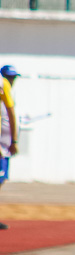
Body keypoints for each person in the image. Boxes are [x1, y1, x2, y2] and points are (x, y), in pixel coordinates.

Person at [0, 65, 20, 231]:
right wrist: (14, 140)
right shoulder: (3, 85)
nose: (11, 81)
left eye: (13, 78)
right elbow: (11, 114)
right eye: (9, 77)